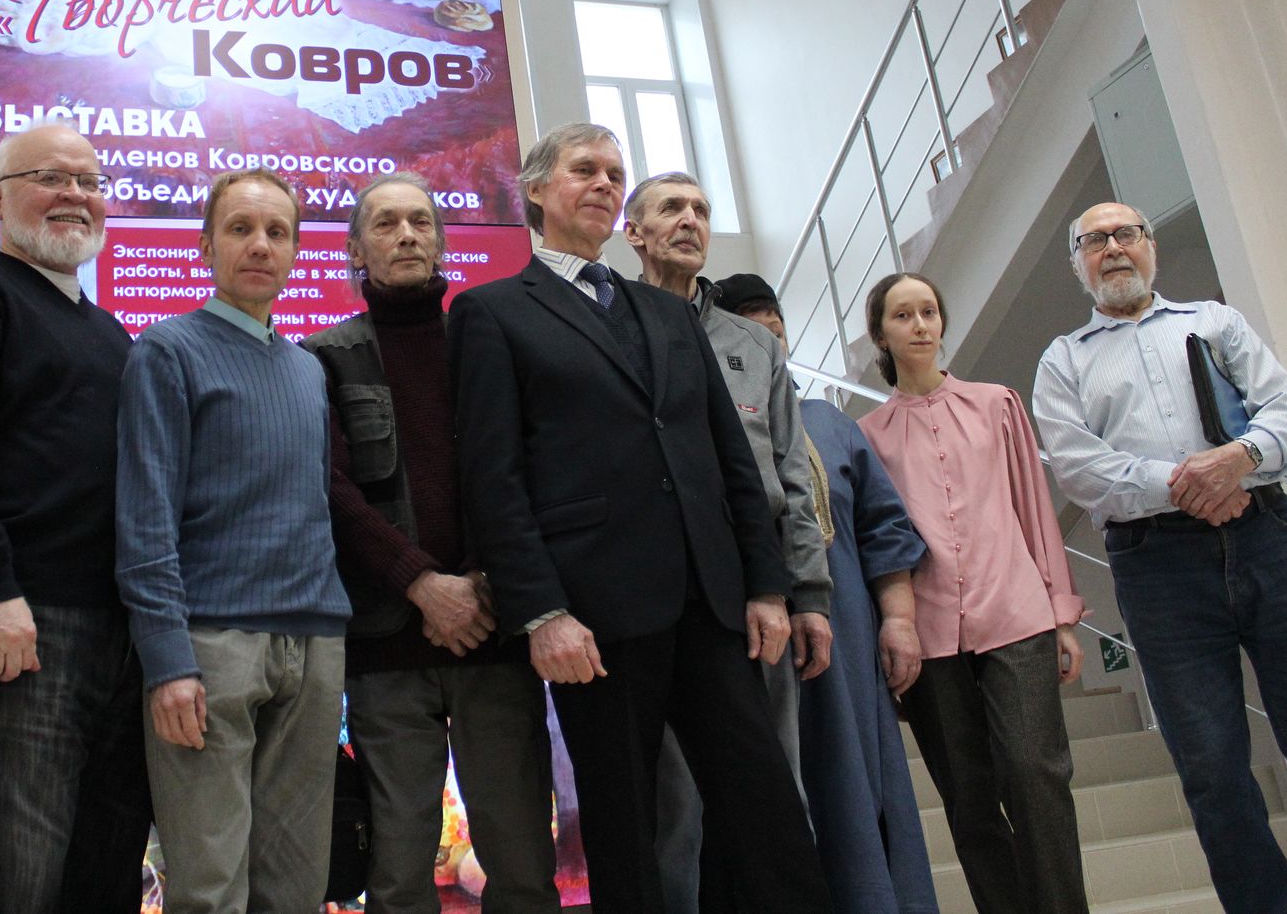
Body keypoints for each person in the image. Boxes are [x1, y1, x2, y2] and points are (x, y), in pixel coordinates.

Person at [449, 122, 831, 914]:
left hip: (710, 604)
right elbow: (493, 480)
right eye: (584, 169)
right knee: (628, 831)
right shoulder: (492, 312)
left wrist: (767, 586)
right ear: (536, 191)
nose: (603, 183)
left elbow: (732, 462)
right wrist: (542, 613)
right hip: (595, 619)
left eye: (615, 174)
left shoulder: (667, 314)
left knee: (767, 810)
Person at [1033, 201, 1287, 914]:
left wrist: (1238, 459)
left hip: (1269, 541)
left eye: (1126, 234)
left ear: (1150, 246)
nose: (1113, 248)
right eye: (1095, 240)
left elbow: (1286, 413)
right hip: (1157, 567)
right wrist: (1191, 483)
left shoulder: (1215, 323)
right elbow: (1078, 468)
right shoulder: (1064, 360)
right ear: (1077, 264)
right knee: (1211, 769)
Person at [0, 123, 150, 913]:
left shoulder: (110, 333)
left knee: (104, 879)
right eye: (50, 177)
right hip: (18, 627)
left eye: (90, 182)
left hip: (123, 635)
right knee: (13, 882)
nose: (75, 195)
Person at [304, 172, 560, 914]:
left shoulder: (489, 343)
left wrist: (480, 583)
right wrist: (421, 583)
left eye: (420, 221)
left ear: (443, 242)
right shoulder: (323, 357)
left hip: (495, 636)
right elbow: (328, 488)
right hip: (385, 648)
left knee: (522, 865)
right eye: (386, 224)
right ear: (357, 249)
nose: (407, 235)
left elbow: (520, 471)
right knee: (397, 876)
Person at [116, 167, 351, 914]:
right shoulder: (168, 351)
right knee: (211, 887)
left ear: (296, 251)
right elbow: (145, 517)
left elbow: (312, 507)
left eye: (277, 232)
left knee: (296, 887)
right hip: (211, 647)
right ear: (205, 246)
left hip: (314, 644)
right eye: (240, 228)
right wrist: (167, 660)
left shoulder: (308, 370)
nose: (260, 245)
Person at [619, 173, 833, 914]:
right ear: (633, 232)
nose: (690, 221)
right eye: (671, 209)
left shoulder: (754, 345)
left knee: (772, 790)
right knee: (674, 801)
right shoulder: (611, 328)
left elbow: (794, 479)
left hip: (760, 586)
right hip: (668, 592)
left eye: (702, 210)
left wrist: (808, 595)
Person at [860, 271, 1088, 914]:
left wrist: (1062, 613)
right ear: (881, 334)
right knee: (967, 796)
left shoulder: (997, 405)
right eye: (903, 315)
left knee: (1035, 775)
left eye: (929, 312)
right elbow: (877, 541)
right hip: (929, 636)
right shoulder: (869, 436)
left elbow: (1033, 508)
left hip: (1016, 615)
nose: (920, 325)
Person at [798, 393, 939, 914]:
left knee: (860, 787)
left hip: (848, 641)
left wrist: (899, 620)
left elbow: (883, 525)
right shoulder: (705, 417)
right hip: (757, 646)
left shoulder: (827, 423)